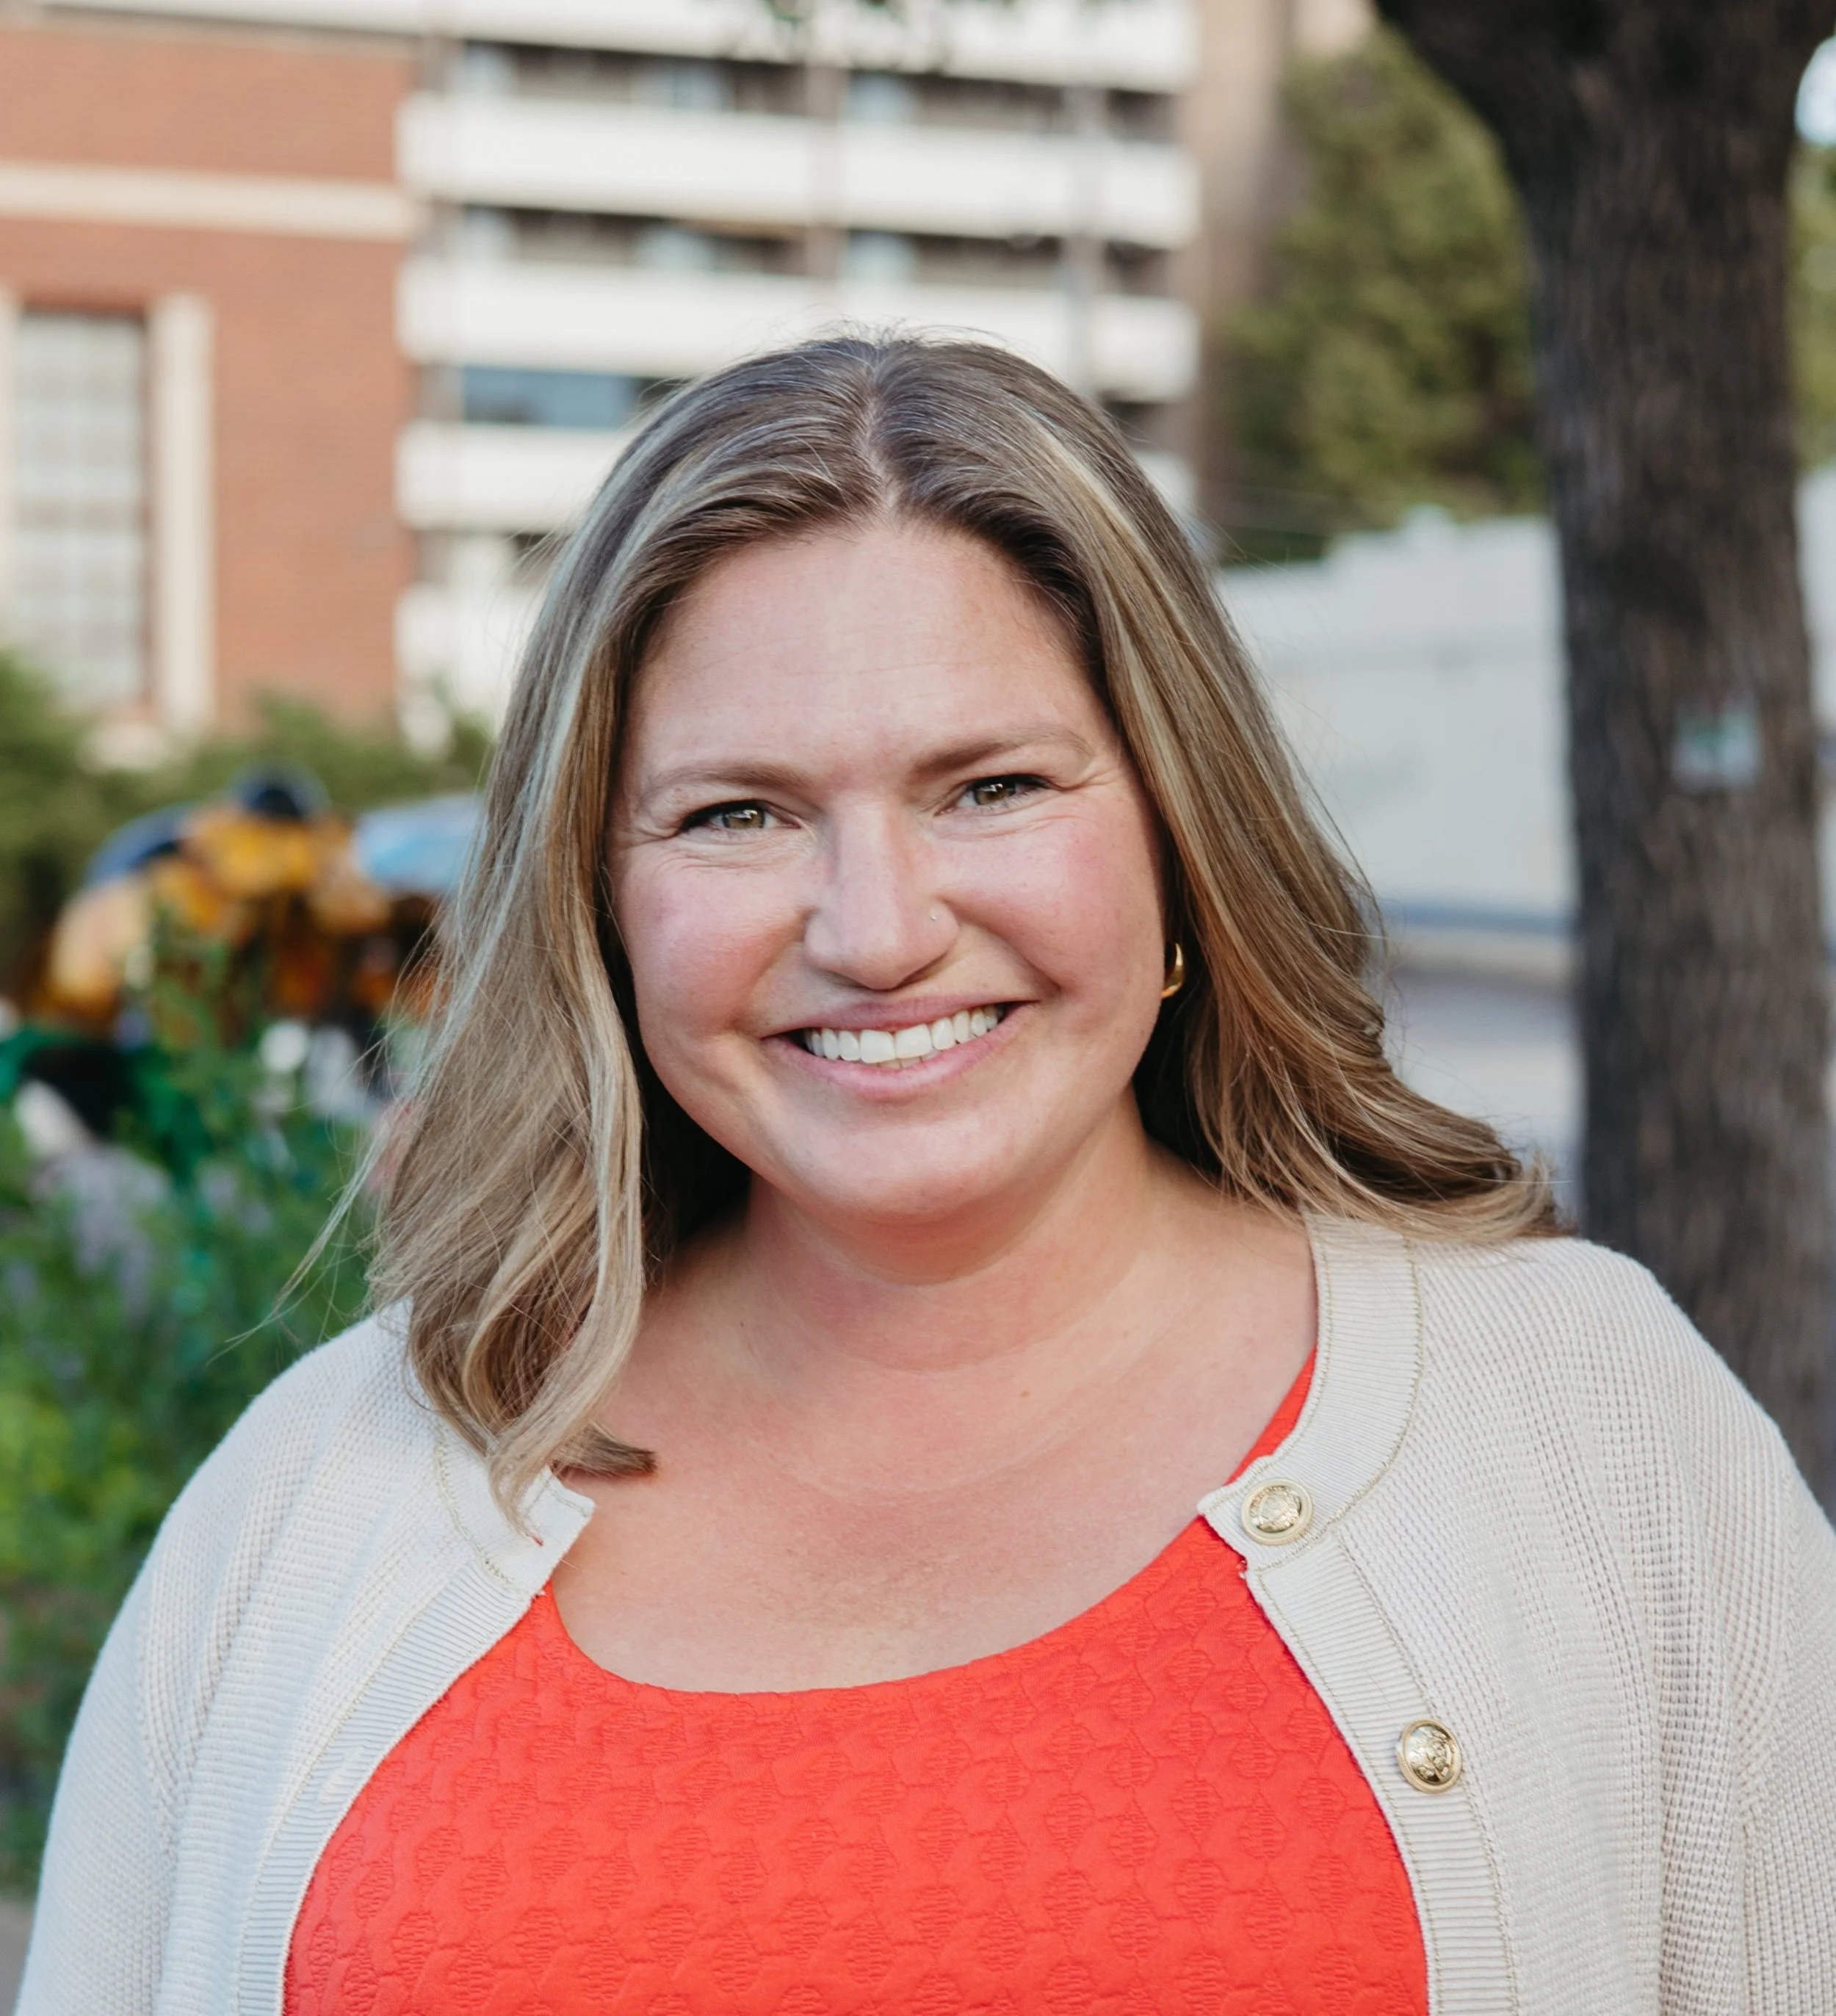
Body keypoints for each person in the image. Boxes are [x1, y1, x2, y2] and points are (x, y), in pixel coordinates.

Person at [19, 336, 1836, 2016]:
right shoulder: (326, 1495)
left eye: (989, 786)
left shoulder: (1582, 1426)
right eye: (738, 812)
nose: (877, 931)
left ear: (1178, 833)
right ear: (599, 900)